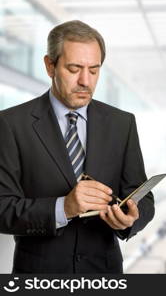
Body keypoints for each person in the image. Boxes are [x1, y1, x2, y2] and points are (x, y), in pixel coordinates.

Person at [0, 20, 155, 273]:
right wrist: (63, 208)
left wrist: (130, 219)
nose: (85, 81)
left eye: (94, 70)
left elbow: (141, 195)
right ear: (50, 66)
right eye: (74, 69)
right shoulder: (10, 124)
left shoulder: (122, 123)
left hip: (104, 273)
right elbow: (2, 207)